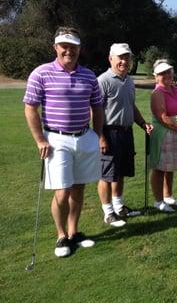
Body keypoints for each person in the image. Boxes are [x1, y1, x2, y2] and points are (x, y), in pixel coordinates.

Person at [23, 26, 103, 258]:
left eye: (73, 47)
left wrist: (96, 135)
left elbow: (97, 107)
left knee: (78, 189)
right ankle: (61, 236)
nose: (69, 51)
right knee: (62, 192)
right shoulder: (41, 73)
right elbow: (30, 108)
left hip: (83, 136)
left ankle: (73, 232)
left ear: (79, 48)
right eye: (64, 46)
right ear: (56, 47)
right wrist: (39, 140)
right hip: (56, 139)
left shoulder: (88, 75)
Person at [97, 43, 153, 227]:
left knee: (120, 172)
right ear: (110, 58)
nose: (124, 61)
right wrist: (100, 137)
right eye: (120, 57)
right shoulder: (103, 80)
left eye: (127, 57)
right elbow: (95, 111)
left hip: (126, 132)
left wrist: (143, 124)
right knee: (107, 174)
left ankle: (119, 207)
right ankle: (108, 212)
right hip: (108, 132)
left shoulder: (129, 81)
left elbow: (131, 106)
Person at [148, 59, 177, 212]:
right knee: (160, 168)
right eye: (162, 73)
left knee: (169, 167)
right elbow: (163, 117)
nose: (166, 75)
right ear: (156, 76)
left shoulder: (176, 89)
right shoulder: (157, 93)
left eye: (168, 72)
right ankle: (159, 201)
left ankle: (168, 196)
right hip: (163, 134)